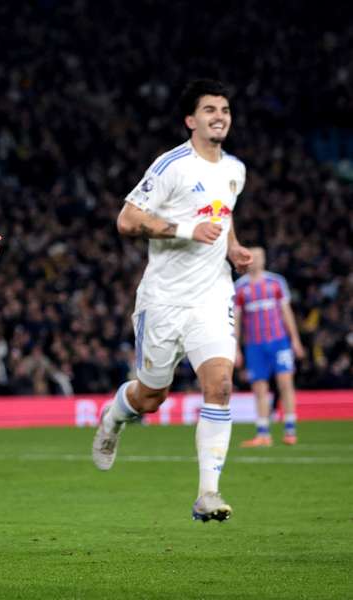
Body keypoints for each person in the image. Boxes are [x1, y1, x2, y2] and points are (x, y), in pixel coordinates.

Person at [92, 79, 253, 523]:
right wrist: (186, 231)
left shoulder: (234, 170)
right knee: (150, 396)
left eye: (224, 109)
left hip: (213, 295)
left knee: (220, 386)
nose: (219, 115)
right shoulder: (172, 166)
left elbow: (223, 216)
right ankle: (113, 418)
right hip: (163, 300)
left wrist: (233, 248)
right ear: (190, 120)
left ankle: (208, 494)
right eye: (209, 110)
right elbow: (127, 220)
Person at [234, 248, 305, 447]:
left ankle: (290, 429)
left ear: (264, 259)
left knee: (285, 384)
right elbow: (237, 320)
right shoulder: (240, 287)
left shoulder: (276, 282)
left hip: (279, 342)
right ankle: (263, 434)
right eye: (252, 257)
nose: (256, 260)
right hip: (254, 345)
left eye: (259, 257)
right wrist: (236, 348)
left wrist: (295, 340)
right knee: (259, 389)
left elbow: (286, 312)